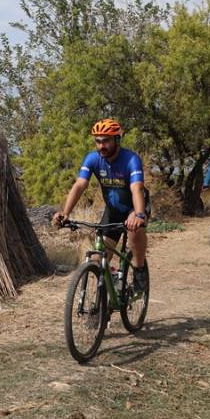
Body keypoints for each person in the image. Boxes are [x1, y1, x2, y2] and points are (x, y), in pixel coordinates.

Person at [52, 119, 149, 293]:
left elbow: (136, 189)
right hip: (113, 211)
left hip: (135, 206)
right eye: (98, 141)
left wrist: (139, 215)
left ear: (117, 140)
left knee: (135, 232)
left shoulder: (131, 159)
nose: (101, 145)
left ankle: (140, 270)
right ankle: (105, 297)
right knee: (97, 261)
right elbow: (80, 185)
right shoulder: (92, 159)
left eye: (106, 140)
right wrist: (65, 213)